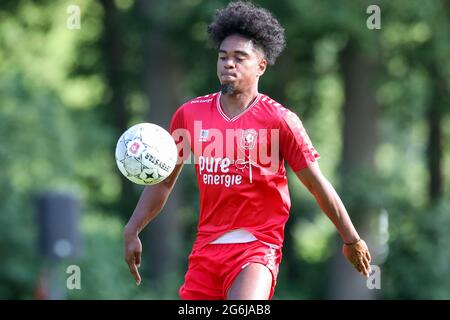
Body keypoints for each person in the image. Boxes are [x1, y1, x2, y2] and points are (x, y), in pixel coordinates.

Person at [123, 1, 371, 300]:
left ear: (261, 66)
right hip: (206, 251)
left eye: (240, 57)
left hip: (256, 249)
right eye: (223, 57)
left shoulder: (281, 121)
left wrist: (351, 239)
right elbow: (163, 181)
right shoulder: (189, 115)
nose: (229, 64)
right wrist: (133, 228)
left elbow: (317, 185)